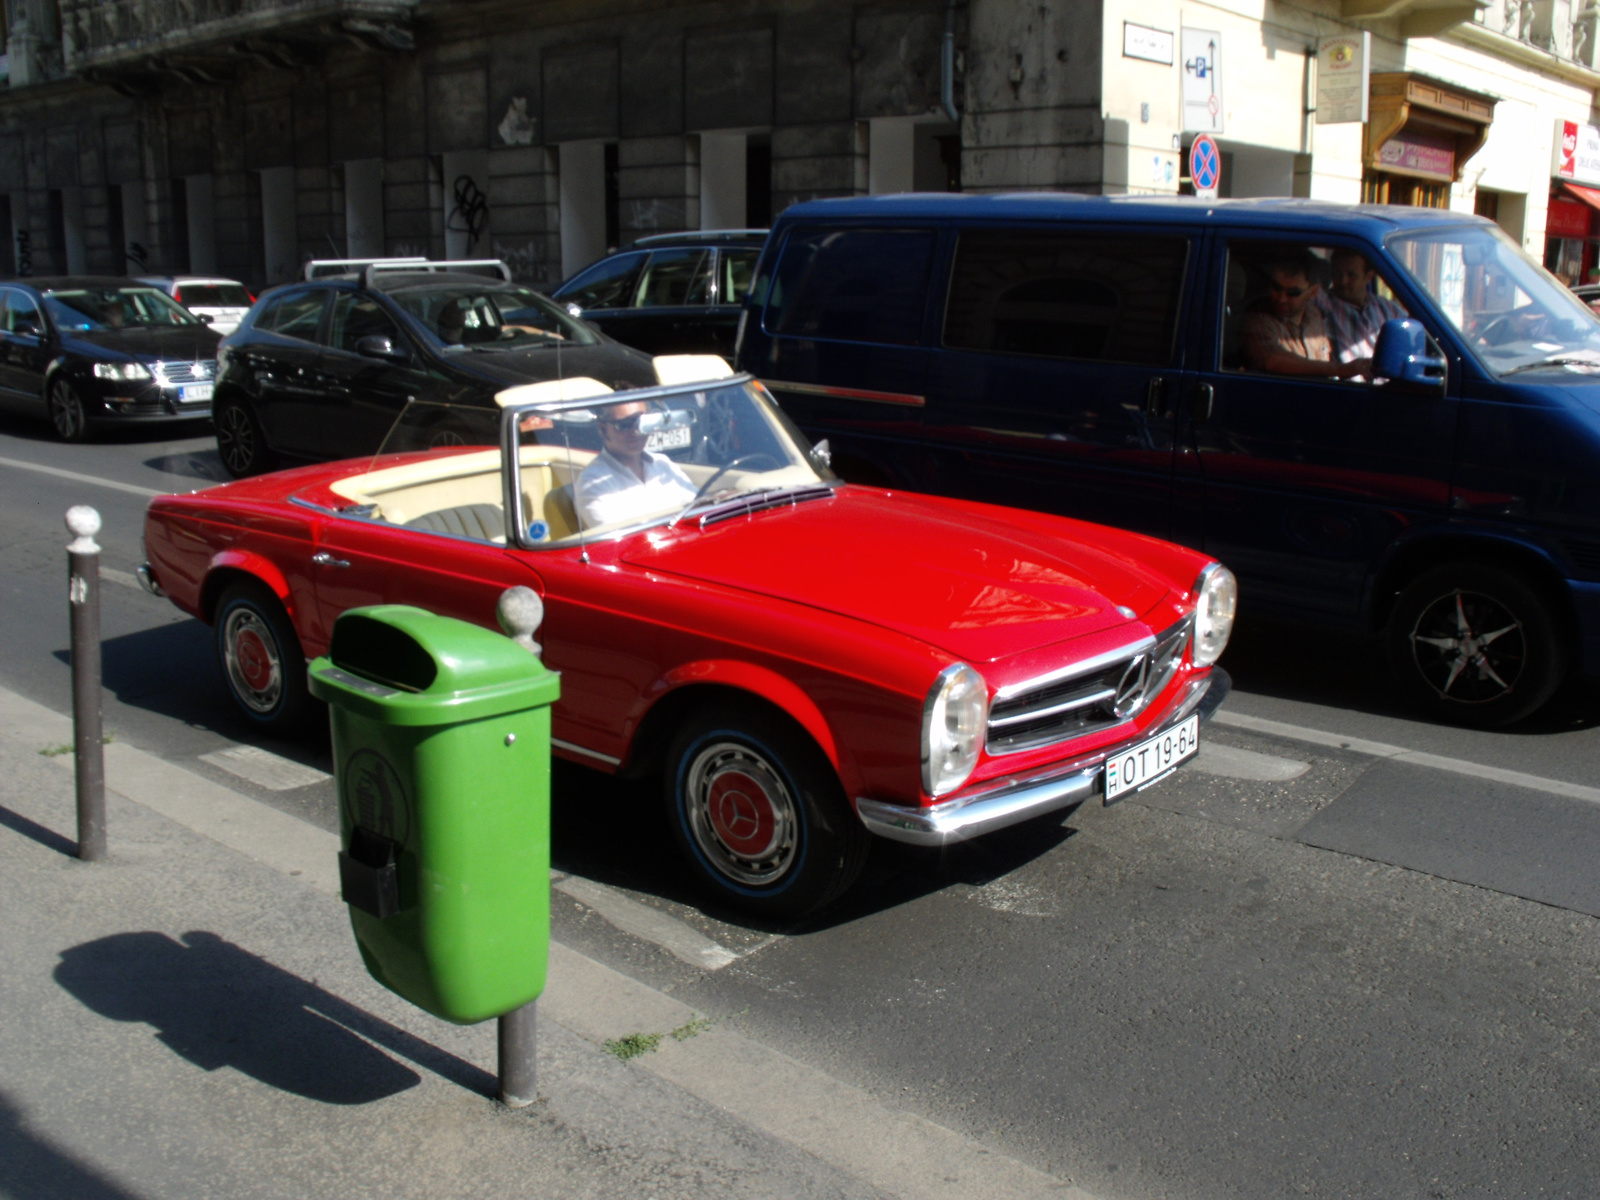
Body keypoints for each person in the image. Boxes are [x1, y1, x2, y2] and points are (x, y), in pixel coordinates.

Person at [1241, 252, 1368, 379]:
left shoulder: (1314, 314)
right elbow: (1274, 360)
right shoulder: (1258, 321)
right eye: (1276, 288)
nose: (1282, 298)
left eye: (1293, 292)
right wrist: (1339, 369)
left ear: (1313, 292)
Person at [574, 399, 696, 528]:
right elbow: (620, 543)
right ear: (603, 429)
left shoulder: (663, 463)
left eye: (641, 422)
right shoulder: (592, 482)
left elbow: (699, 508)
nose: (635, 431)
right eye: (624, 425)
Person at [1317, 248, 1407, 366]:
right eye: (1338, 273)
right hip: (1343, 383)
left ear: (1369, 277)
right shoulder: (1323, 304)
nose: (1343, 281)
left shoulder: (1387, 308)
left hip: (1383, 383)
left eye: (1351, 275)